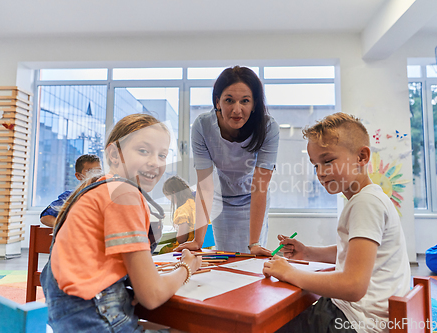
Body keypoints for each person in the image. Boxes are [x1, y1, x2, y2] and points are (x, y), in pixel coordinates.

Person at [40, 114, 202, 332]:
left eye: (162, 155)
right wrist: (187, 267)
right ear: (114, 155)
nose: (155, 162)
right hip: (99, 320)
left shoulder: (95, 188)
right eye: (144, 151)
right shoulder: (123, 194)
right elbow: (151, 296)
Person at [263, 112, 411, 333]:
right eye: (315, 165)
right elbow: (356, 254)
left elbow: (353, 286)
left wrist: (289, 272)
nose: (320, 173)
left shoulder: (365, 203)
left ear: (362, 157)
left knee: (269, 322)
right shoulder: (371, 197)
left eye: (328, 161)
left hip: (354, 322)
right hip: (362, 318)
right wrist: (309, 252)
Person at [176, 66, 279, 255]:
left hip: (252, 198)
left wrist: (254, 243)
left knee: (250, 257)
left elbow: (260, 186)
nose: (236, 109)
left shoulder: (268, 128)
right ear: (218, 102)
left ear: (254, 104)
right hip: (220, 198)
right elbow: (205, 185)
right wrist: (198, 240)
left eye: (245, 101)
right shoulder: (202, 126)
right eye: (229, 100)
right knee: (225, 257)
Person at [40, 154, 101, 227]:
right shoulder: (70, 196)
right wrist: (68, 226)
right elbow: (45, 217)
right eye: (90, 171)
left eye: (99, 171)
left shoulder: (107, 195)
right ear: (78, 176)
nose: (96, 175)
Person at [159, 176, 196, 254]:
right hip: (204, 247)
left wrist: (178, 228)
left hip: (189, 249)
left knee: (163, 251)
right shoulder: (195, 203)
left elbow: (181, 239)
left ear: (173, 193)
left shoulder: (182, 210)